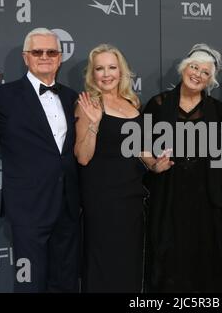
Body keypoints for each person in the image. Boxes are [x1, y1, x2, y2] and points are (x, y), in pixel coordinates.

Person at [0, 28, 80, 292]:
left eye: (51, 52)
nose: (45, 57)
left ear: (60, 58)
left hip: (68, 209)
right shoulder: (5, 96)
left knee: (66, 282)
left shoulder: (72, 98)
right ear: (26, 58)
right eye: (38, 52)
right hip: (28, 211)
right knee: (29, 283)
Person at [143, 43, 222, 292]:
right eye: (194, 67)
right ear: (183, 69)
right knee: (167, 256)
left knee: (205, 257)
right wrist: (154, 164)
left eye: (205, 72)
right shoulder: (157, 104)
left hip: (207, 199)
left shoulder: (218, 112)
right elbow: (141, 146)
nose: (197, 74)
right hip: (167, 195)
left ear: (211, 80)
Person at [75, 44, 149, 292]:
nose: (106, 74)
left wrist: (157, 164)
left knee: (128, 262)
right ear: (92, 74)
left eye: (112, 67)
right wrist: (95, 123)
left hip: (132, 197)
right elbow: (82, 157)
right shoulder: (88, 103)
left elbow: (141, 152)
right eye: (100, 68)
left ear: (121, 71)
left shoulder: (132, 103)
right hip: (102, 198)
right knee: (103, 262)